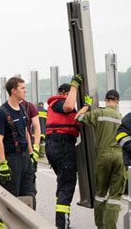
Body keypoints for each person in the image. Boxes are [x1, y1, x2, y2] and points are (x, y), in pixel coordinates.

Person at [75, 89, 126, 229]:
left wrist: (87, 105)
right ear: (117, 101)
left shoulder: (99, 113)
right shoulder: (120, 117)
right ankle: (111, 227)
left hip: (103, 156)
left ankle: (100, 226)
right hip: (119, 155)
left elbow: (78, 117)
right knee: (115, 196)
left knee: (101, 193)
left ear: (106, 100)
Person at [0, 77, 36, 228]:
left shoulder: (23, 108)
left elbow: (26, 132)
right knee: (10, 197)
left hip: (25, 159)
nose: (25, 91)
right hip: (11, 160)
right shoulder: (2, 112)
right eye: (22, 88)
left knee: (29, 195)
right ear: (13, 91)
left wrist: (32, 153)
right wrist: (3, 163)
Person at [45, 74, 83, 229]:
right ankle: (63, 226)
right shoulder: (59, 103)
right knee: (67, 185)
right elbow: (68, 106)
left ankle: (61, 223)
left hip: (55, 146)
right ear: (66, 94)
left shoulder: (54, 106)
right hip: (62, 146)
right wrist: (75, 86)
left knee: (62, 184)